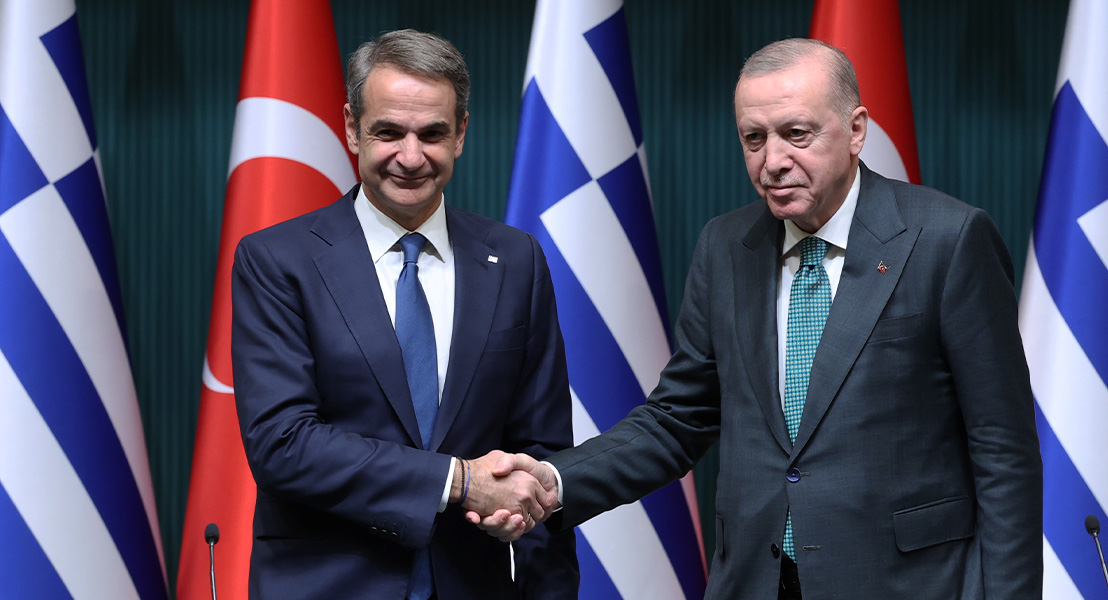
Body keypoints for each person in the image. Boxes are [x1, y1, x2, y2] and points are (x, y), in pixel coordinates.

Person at [475, 38, 1042, 598]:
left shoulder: (948, 239)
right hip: (756, 580)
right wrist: (555, 481)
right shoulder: (725, 246)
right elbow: (679, 417)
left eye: (796, 134)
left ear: (856, 131)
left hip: (907, 584)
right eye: (754, 138)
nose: (772, 162)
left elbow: (1002, 449)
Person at [231, 29, 577, 600]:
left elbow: (542, 458)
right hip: (328, 586)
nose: (411, 158)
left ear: (461, 133)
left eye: (432, 134)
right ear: (351, 128)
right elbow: (282, 443)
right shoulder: (277, 260)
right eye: (388, 132)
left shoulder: (515, 260)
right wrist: (457, 481)